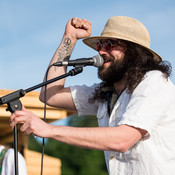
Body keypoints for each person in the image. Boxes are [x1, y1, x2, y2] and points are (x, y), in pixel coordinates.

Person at [10, 16, 175, 175]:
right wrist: (70, 38)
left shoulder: (154, 81)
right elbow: (49, 94)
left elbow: (122, 139)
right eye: (99, 45)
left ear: (134, 51)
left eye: (109, 45)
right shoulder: (105, 93)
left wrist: (49, 129)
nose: (101, 51)